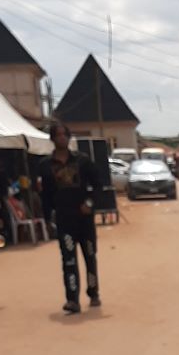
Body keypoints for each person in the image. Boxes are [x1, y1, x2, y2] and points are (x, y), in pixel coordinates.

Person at [39, 122, 101, 314]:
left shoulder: (82, 161)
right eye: (57, 135)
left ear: (69, 137)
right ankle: (72, 299)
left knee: (89, 256)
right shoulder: (45, 165)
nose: (61, 138)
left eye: (64, 135)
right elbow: (45, 195)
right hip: (64, 219)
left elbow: (98, 185)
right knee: (68, 260)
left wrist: (89, 204)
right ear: (52, 138)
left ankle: (93, 292)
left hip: (84, 218)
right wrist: (47, 218)